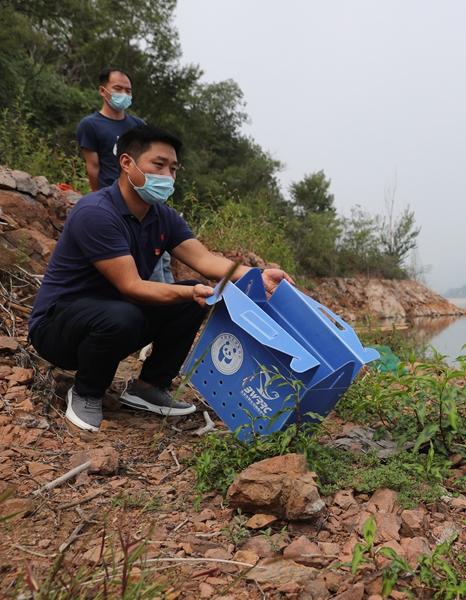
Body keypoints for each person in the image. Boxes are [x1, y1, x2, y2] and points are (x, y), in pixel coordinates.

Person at [28, 125, 293, 433]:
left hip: (113, 315)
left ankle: (149, 386)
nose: (168, 175)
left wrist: (259, 275)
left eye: (173, 168)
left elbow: (206, 260)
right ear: (127, 163)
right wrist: (189, 292)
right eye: (158, 164)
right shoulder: (96, 212)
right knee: (135, 311)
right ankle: (87, 391)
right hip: (58, 328)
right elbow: (132, 286)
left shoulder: (161, 216)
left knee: (190, 301)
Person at [76, 67, 173, 283]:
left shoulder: (137, 125)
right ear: (103, 91)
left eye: (128, 90)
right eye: (118, 89)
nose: (124, 95)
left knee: (161, 255)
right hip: (116, 200)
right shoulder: (90, 125)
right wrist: (100, 199)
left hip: (144, 198)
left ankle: (169, 297)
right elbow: (93, 166)